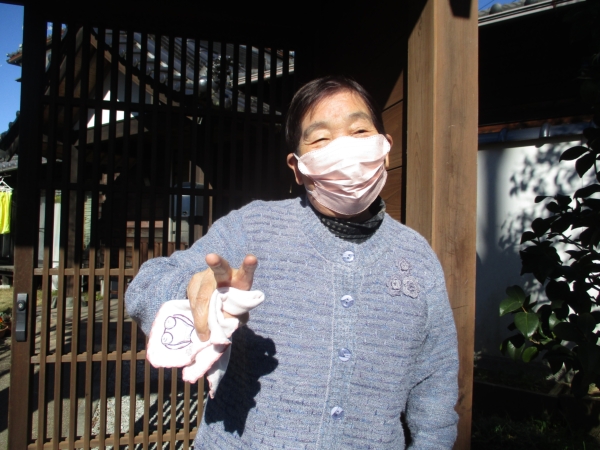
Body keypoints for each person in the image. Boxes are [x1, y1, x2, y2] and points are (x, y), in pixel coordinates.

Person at [126, 76, 459, 449]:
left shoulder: (417, 257)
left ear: (385, 148)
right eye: (321, 139)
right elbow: (145, 285)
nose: (344, 148)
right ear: (297, 167)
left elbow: (436, 390)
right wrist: (193, 292)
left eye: (359, 131)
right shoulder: (252, 227)